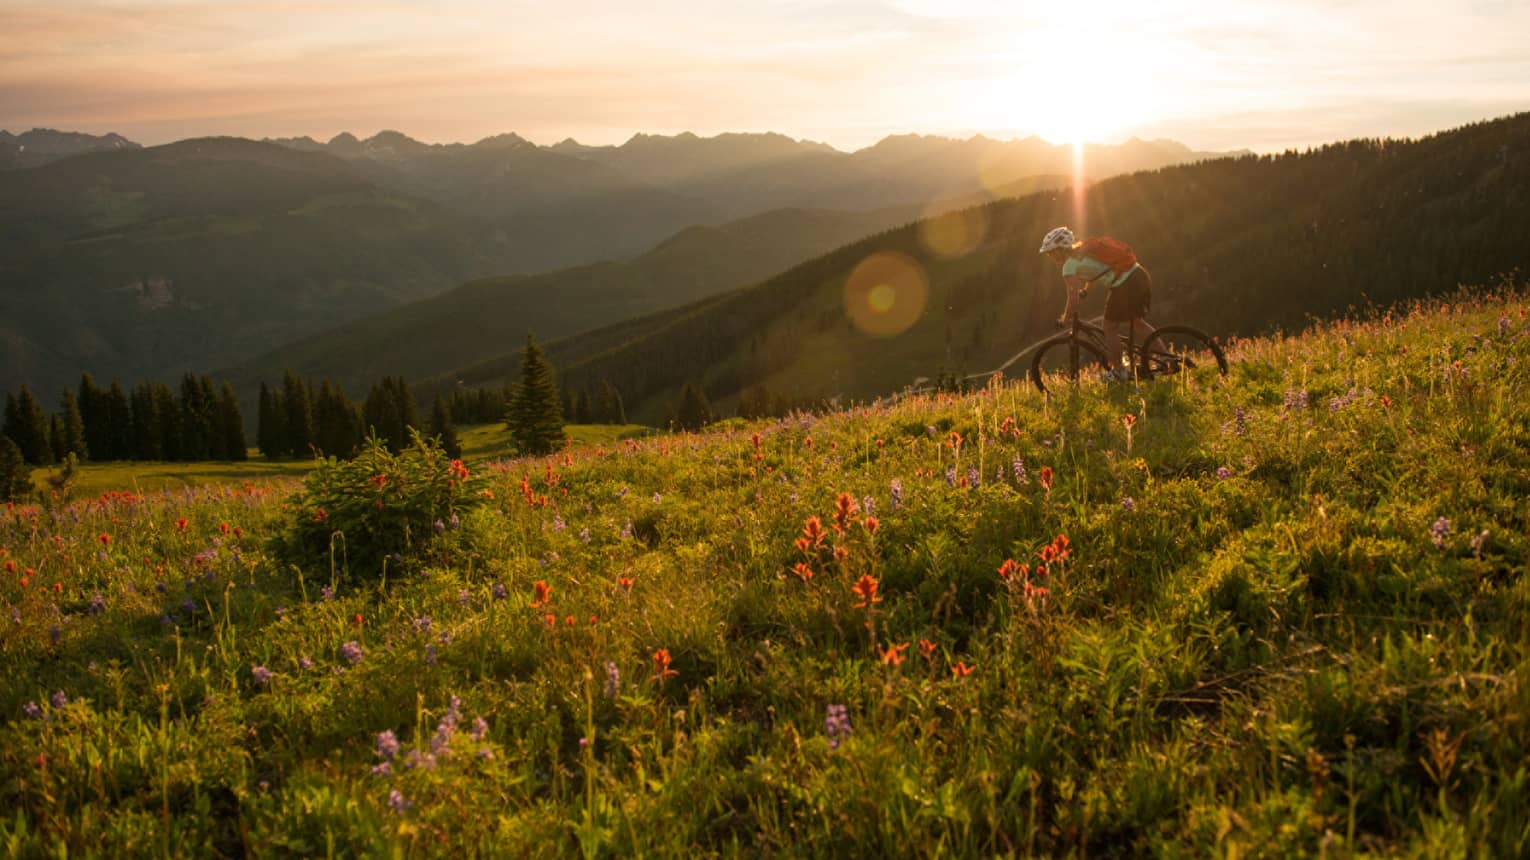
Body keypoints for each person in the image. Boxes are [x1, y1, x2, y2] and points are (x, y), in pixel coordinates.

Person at [1038, 226, 1155, 381]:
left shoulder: (1068, 266)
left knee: (1109, 327)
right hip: (1138, 274)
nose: (1051, 256)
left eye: (1052, 252)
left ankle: (1120, 371)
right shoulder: (1083, 250)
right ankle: (1168, 360)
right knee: (1138, 322)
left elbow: (1073, 300)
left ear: (1061, 249)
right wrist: (1086, 289)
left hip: (1124, 283)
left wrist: (1064, 319)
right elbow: (1095, 270)